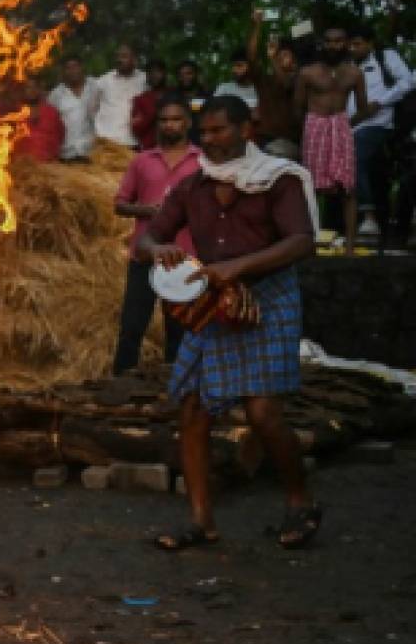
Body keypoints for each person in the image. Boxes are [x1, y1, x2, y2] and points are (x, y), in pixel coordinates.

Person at [139, 95, 320, 549]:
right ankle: (202, 522)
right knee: (194, 411)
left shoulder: (278, 181)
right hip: (212, 302)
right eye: (206, 132)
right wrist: (158, 250)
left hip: (268, 300)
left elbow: (301, 242)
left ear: (246, 131)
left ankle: (300, 502)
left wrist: (238, 269)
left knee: (262, 412)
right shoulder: (192, 187)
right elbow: (149, 237)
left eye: (220, 130)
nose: (211, 139)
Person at [111, 96, 200, 374]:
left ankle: (176, 388)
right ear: (157, 125)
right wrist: (148, 210)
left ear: (187, 123)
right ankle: (119, 386)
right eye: (164, 120)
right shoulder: (142, 161)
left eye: (176, 119)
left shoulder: (202, 161)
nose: (170, 125)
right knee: (131, 327)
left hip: (185, 257)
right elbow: (119, 203)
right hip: (145, 255)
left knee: (179, 330)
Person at [295, 26, 371, 246]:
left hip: (340, 126)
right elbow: (297, 107)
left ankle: (349, 244)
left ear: (346, 44)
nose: (333, 46)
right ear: (322, 44)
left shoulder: (354, 73)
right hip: (314, 127)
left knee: (348, 186)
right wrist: (311, 127)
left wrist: (345, 124)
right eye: (328, 41)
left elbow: (363, 108)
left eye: (338, 41)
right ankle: (311, 243)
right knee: (313, 186)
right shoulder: (308, 73)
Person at [348, 23, 413, 242]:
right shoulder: (346, 65)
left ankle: (369, 218)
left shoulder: (386, 58)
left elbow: (408, 82)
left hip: (379, 123)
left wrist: (379, 103)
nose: (353, 49)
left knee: (354, 156)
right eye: (350, 45)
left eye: (357, 44)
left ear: (370, 44)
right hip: (349, 125)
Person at [246, 12, 302, 159]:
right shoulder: (265, 79)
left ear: (294, 61)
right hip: (264, 139)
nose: (280, 57)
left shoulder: (300, 79)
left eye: (285, 55)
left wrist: (273, 59)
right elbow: (251, 58)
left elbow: (285, 85)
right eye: (279, 55)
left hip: (289, 141)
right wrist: (257, 26)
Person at [90, 44, 148, 150]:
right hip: (108, 143)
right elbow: (92, 109)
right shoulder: (103, 81)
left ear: (134, 59)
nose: (119, 60)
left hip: (133, 143)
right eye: (118, 56)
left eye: (124, 56)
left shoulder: (145, 81)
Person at [47, 58, 96, 161]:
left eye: (75, 67)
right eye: (68, 68)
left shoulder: (95, 86)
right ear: (63, 72)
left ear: (82, 67)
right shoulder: (55, 95)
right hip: (67, 155)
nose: (72, 71)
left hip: (92, 153)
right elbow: (51, 125)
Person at [13, 77, 65, 162]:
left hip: (49, 165)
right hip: (22, 166)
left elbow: (61, 135)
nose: (32, 90)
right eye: (28, 87)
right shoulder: (14, 114)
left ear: (39, 89)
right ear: (22, 91)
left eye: (35, 87)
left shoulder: (51, 112)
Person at [129, 60, 170, 149]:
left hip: (175, 149)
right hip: (151, 151)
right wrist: (154, 112)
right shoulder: (140, 100)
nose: (154, 75)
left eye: (157, 71)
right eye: (150, 72)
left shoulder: (174, 94)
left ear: (164, 73)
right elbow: (136, 128)